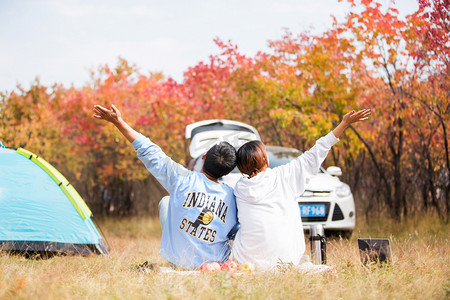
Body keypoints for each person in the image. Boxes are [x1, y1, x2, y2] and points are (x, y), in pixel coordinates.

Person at [93, 104, 238, 270]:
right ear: (226, 173)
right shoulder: (232, 196)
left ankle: (176, 262)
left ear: (203, 157)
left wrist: (119, 122)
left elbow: (150, 151)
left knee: (166, 202)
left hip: (181, 263)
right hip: (216, 266)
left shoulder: (182, 179)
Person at [232, 109, 371, 271]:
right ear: (264, 159)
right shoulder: (283, 176)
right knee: (309, 265)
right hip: (286, 262)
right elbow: (318, 150)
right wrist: (344, 124)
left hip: (248, 264)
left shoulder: (239, 188)